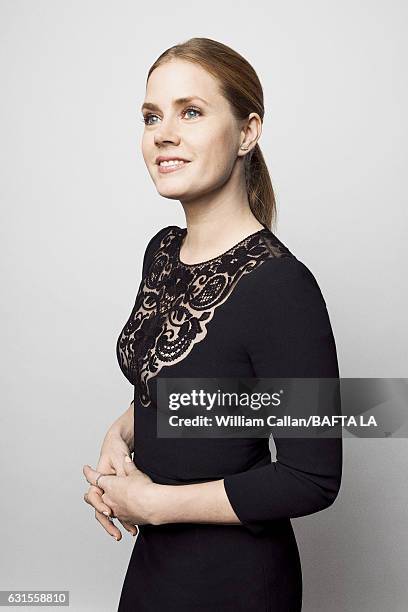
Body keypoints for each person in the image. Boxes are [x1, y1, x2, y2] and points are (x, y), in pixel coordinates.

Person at [83, 37, 342, 611]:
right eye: (152, 116)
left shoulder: (281, 287)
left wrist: (151, 505)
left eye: (191, 112)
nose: (162, 133)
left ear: (248, 132)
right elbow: (197, 378)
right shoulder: (162, 253)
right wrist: (122, 432)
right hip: (156, 564)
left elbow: (311, 476)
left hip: (235, 581)